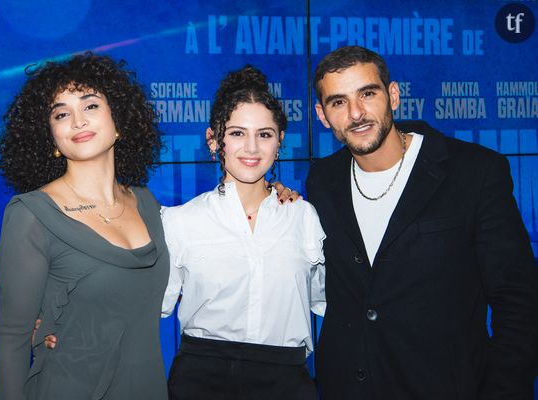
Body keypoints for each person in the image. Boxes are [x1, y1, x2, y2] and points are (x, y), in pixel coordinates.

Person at [306, 45, 538, 399]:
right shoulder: (322, 181)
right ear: (323, 115)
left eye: (367, 94)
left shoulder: (473, 171)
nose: (356, 113)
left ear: (393, 95)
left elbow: (519, 301)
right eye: (338, 102)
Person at [0, 53, 169, 400]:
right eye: (61, 113)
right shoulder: (31, 215)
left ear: (118, 119)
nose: (77, 121)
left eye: (90, 106)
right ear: (50, 136)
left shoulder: (147, 203)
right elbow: (12, 342)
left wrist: (274, 192)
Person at [161, 65, 326, 400]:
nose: (251, 148)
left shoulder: (303, 216)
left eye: (264, 134)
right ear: (213, 140)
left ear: (279, 141)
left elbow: (330, 300)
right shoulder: (180, 221)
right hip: (201, 379)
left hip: (286, 380)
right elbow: (143, 305)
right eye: (237, 133)